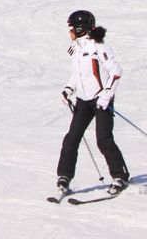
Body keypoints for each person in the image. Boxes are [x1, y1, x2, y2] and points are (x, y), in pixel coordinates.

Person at [55, 10, 129, 198]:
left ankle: (120, 177)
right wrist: (68, 89)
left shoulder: (99, 46)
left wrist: (107, 95)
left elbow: (115, 71)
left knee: (103, 139)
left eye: (72, 27)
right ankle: (64, 177)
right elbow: (77, 74)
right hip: (83, 100)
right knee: (71, 138)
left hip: (100, 100)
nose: (70, 31)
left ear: (80, 27)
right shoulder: (75, 48)